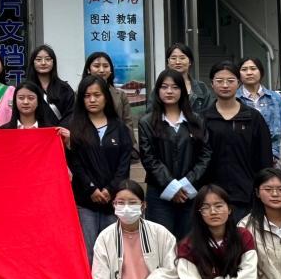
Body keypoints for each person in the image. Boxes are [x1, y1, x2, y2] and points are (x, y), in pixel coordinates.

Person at [64, 76, 132, 260]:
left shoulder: (119, 127)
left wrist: (110, 189)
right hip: (85, 201)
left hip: (113, 200)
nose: (92, 100)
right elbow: (75, 163)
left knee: (113, 252)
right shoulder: (73, 126)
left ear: (106, 97)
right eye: (87, 96)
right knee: (88, 252)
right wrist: (91, 189)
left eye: (97, 95)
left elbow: (124, 164)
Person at [139, 70, 212, 239]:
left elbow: (206, 155)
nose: (169, 91)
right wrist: (171, 185)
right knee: (161, 242)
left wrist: (185, 184)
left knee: (190, 243)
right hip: (159, 193)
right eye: (164, 87)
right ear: (157, 91)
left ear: (182, 91)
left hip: (190, 193)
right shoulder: (147, 122)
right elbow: (149, 158)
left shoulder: (196, 120)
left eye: (175, 87)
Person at [201, 62, 274, 222]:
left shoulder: (253, 118)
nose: (225, 85)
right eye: (219, 81)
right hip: (211, 194)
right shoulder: (203, 118)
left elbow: (264, 158)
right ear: (212, 83)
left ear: (239, 83)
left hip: (246, 194)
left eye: (230, 80)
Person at [83, 52, 138, 157]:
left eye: (105, 66)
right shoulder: (79, 94)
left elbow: (128, 124)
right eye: (96, 66)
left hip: (117, 149)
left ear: (111, 70)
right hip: (89, 149)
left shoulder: (120, 95)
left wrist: (130, 148)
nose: (101, 70)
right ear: (88, 70)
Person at [236, 57, 281, 161]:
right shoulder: (234, 99)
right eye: (244, 69)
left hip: (274, 157)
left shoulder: (276, 98)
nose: (249, 73)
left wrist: (274, 155)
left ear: (261, 72)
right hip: (242, 158)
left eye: (253, 68)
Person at [166, 42, 215, 115]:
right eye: (173, 58)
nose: (177, 62)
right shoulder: (161, 87)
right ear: (168, 62)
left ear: (190, 61)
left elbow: (210, 113)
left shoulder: (201, 87)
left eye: (182, 58)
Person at [30, 44, 75, 123]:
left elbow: (71, 114)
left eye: (47, 59)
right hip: (34, 130)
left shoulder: (65, 88)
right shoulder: (26, 88)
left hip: (60, 130)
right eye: (38, 59)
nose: (43, 63)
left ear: (53, 62)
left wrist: (61, 128)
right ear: (33, 62)